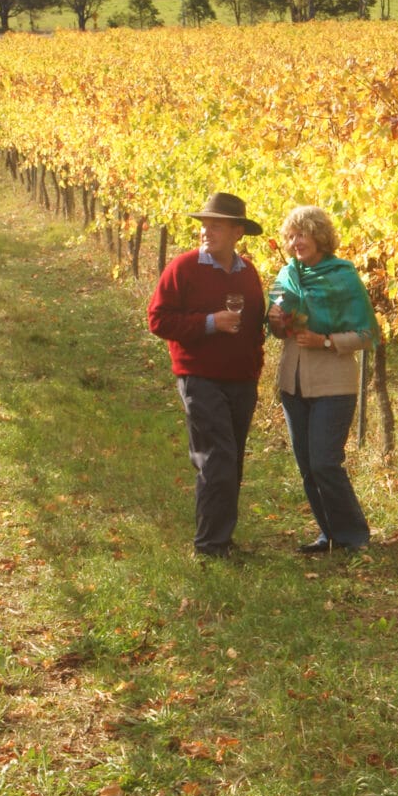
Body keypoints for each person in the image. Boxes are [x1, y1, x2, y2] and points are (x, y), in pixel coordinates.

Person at [146, 192, 269, 559]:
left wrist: (256, 362)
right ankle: (209, 546)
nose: (207, 230)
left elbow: (254, 328)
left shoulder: (248, 272)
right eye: (204, 224)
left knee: (232, 460)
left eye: (216, 225)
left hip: (241, 380)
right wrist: (210, 323)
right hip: (200, 376)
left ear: (238, 233)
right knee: (216, 457)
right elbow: (158, 320)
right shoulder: (183, 268)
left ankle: (221, 539)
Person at [268, 205, 377, 554]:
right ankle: (328, 534)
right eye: (291, 235)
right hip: (294, 382)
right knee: (306, 465)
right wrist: (275, 320)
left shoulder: (343, 276)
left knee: (325, 462)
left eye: (303, 234)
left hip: (334, 383)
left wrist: (326, 341)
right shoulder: (287, 275)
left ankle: (354, 535)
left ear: (319, 236)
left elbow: (366, 333)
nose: (296, 241)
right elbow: (274, 329)